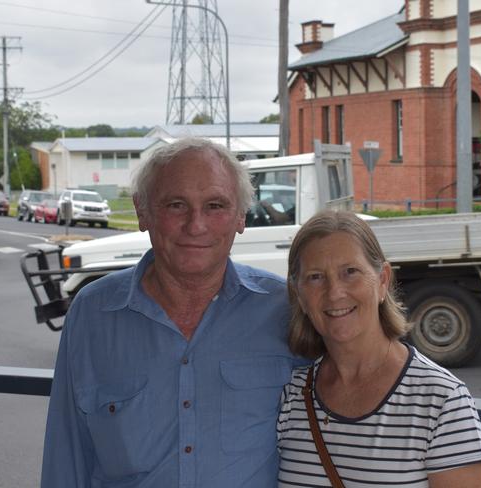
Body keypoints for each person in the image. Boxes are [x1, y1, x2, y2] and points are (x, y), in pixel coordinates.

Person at [41, 138, 303, 487]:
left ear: (241, 216)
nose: (196, 225)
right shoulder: (93, 315)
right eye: (176, 205)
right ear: (142, 212)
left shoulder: (284, 309)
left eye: (215, 205)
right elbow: (66, 458)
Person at [277, 210, 481, 487]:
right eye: (316, 277)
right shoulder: (291, 394)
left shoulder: (441, 400)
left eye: (350, 272)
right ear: (300, 296)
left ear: (382, 281)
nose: (335, 292)